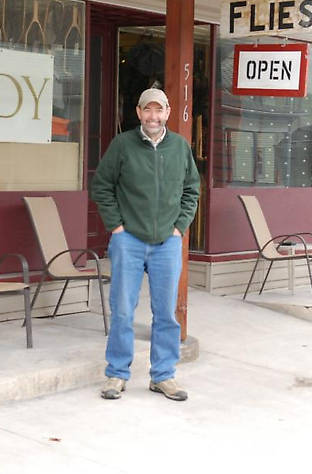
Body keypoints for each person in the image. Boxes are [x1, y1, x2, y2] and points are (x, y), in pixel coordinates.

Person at [90, 87, 200, 401]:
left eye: (159, 110)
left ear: (167, 113)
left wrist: (179, 227)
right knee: (123, 310)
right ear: (138, 113)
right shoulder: (122, 145)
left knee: (166, 312)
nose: (153, 116)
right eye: (147, 110)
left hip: (167, 241)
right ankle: (117, 374)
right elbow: (102, 187)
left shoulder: (179, 147)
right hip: (129, 241)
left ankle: (163, 376)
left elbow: (192, 190)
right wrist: (117, 227)